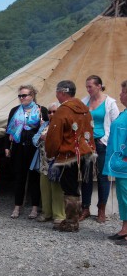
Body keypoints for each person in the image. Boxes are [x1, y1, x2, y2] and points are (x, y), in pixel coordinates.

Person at [45, 80, 96, 232]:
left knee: (69, 188)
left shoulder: (63, 110)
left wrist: (51, 152)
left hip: (69, 155)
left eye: (57, 92)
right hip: (86, 154)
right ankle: (73, 220)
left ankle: (72, 222)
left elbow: (54, 137)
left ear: (62, 93)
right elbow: (90, 131)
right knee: (76, 188)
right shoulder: (85, 108)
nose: (56, 94)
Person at [80, 75, 119, 222]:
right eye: (87, 86)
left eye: (90, 86)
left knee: (103, 176)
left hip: (102, 142)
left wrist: (106, 141)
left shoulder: (110, 103)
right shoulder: (84, 101)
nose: (88, 89)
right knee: (86, 176)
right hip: (87, 142)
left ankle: (101, 208)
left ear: (99, 86)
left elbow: (115, 123)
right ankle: (85, 208)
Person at [5, 85, 48, 219]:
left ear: (32, 96)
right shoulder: (14, 111)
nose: (22, 98)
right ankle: (17, 205)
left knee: (35, 177)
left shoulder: (41, 110)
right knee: (19, 176)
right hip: (19, 146)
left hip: (34, 147)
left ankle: (35, 207)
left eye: (24, 95)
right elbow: (9, 129)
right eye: (20, 96)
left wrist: (42, 125)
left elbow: (47, 128)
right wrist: (7, 146)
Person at [31, 103, 65, 228]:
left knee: (57, 190)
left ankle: (59, 215)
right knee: (44, 189)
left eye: (54, 112)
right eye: (50, 112)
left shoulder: (63, 125)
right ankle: (47, 213)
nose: (51, 114)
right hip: (44, 163)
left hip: (57, 163)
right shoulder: (45, 125)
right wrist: (41, 137)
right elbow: (34, 139)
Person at [103, 80, 127, 245]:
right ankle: (125, 227)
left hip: (125, 162)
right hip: (119, 163)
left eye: (123, 92)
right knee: (123, 196)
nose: (120, 94)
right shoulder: (124, 113)